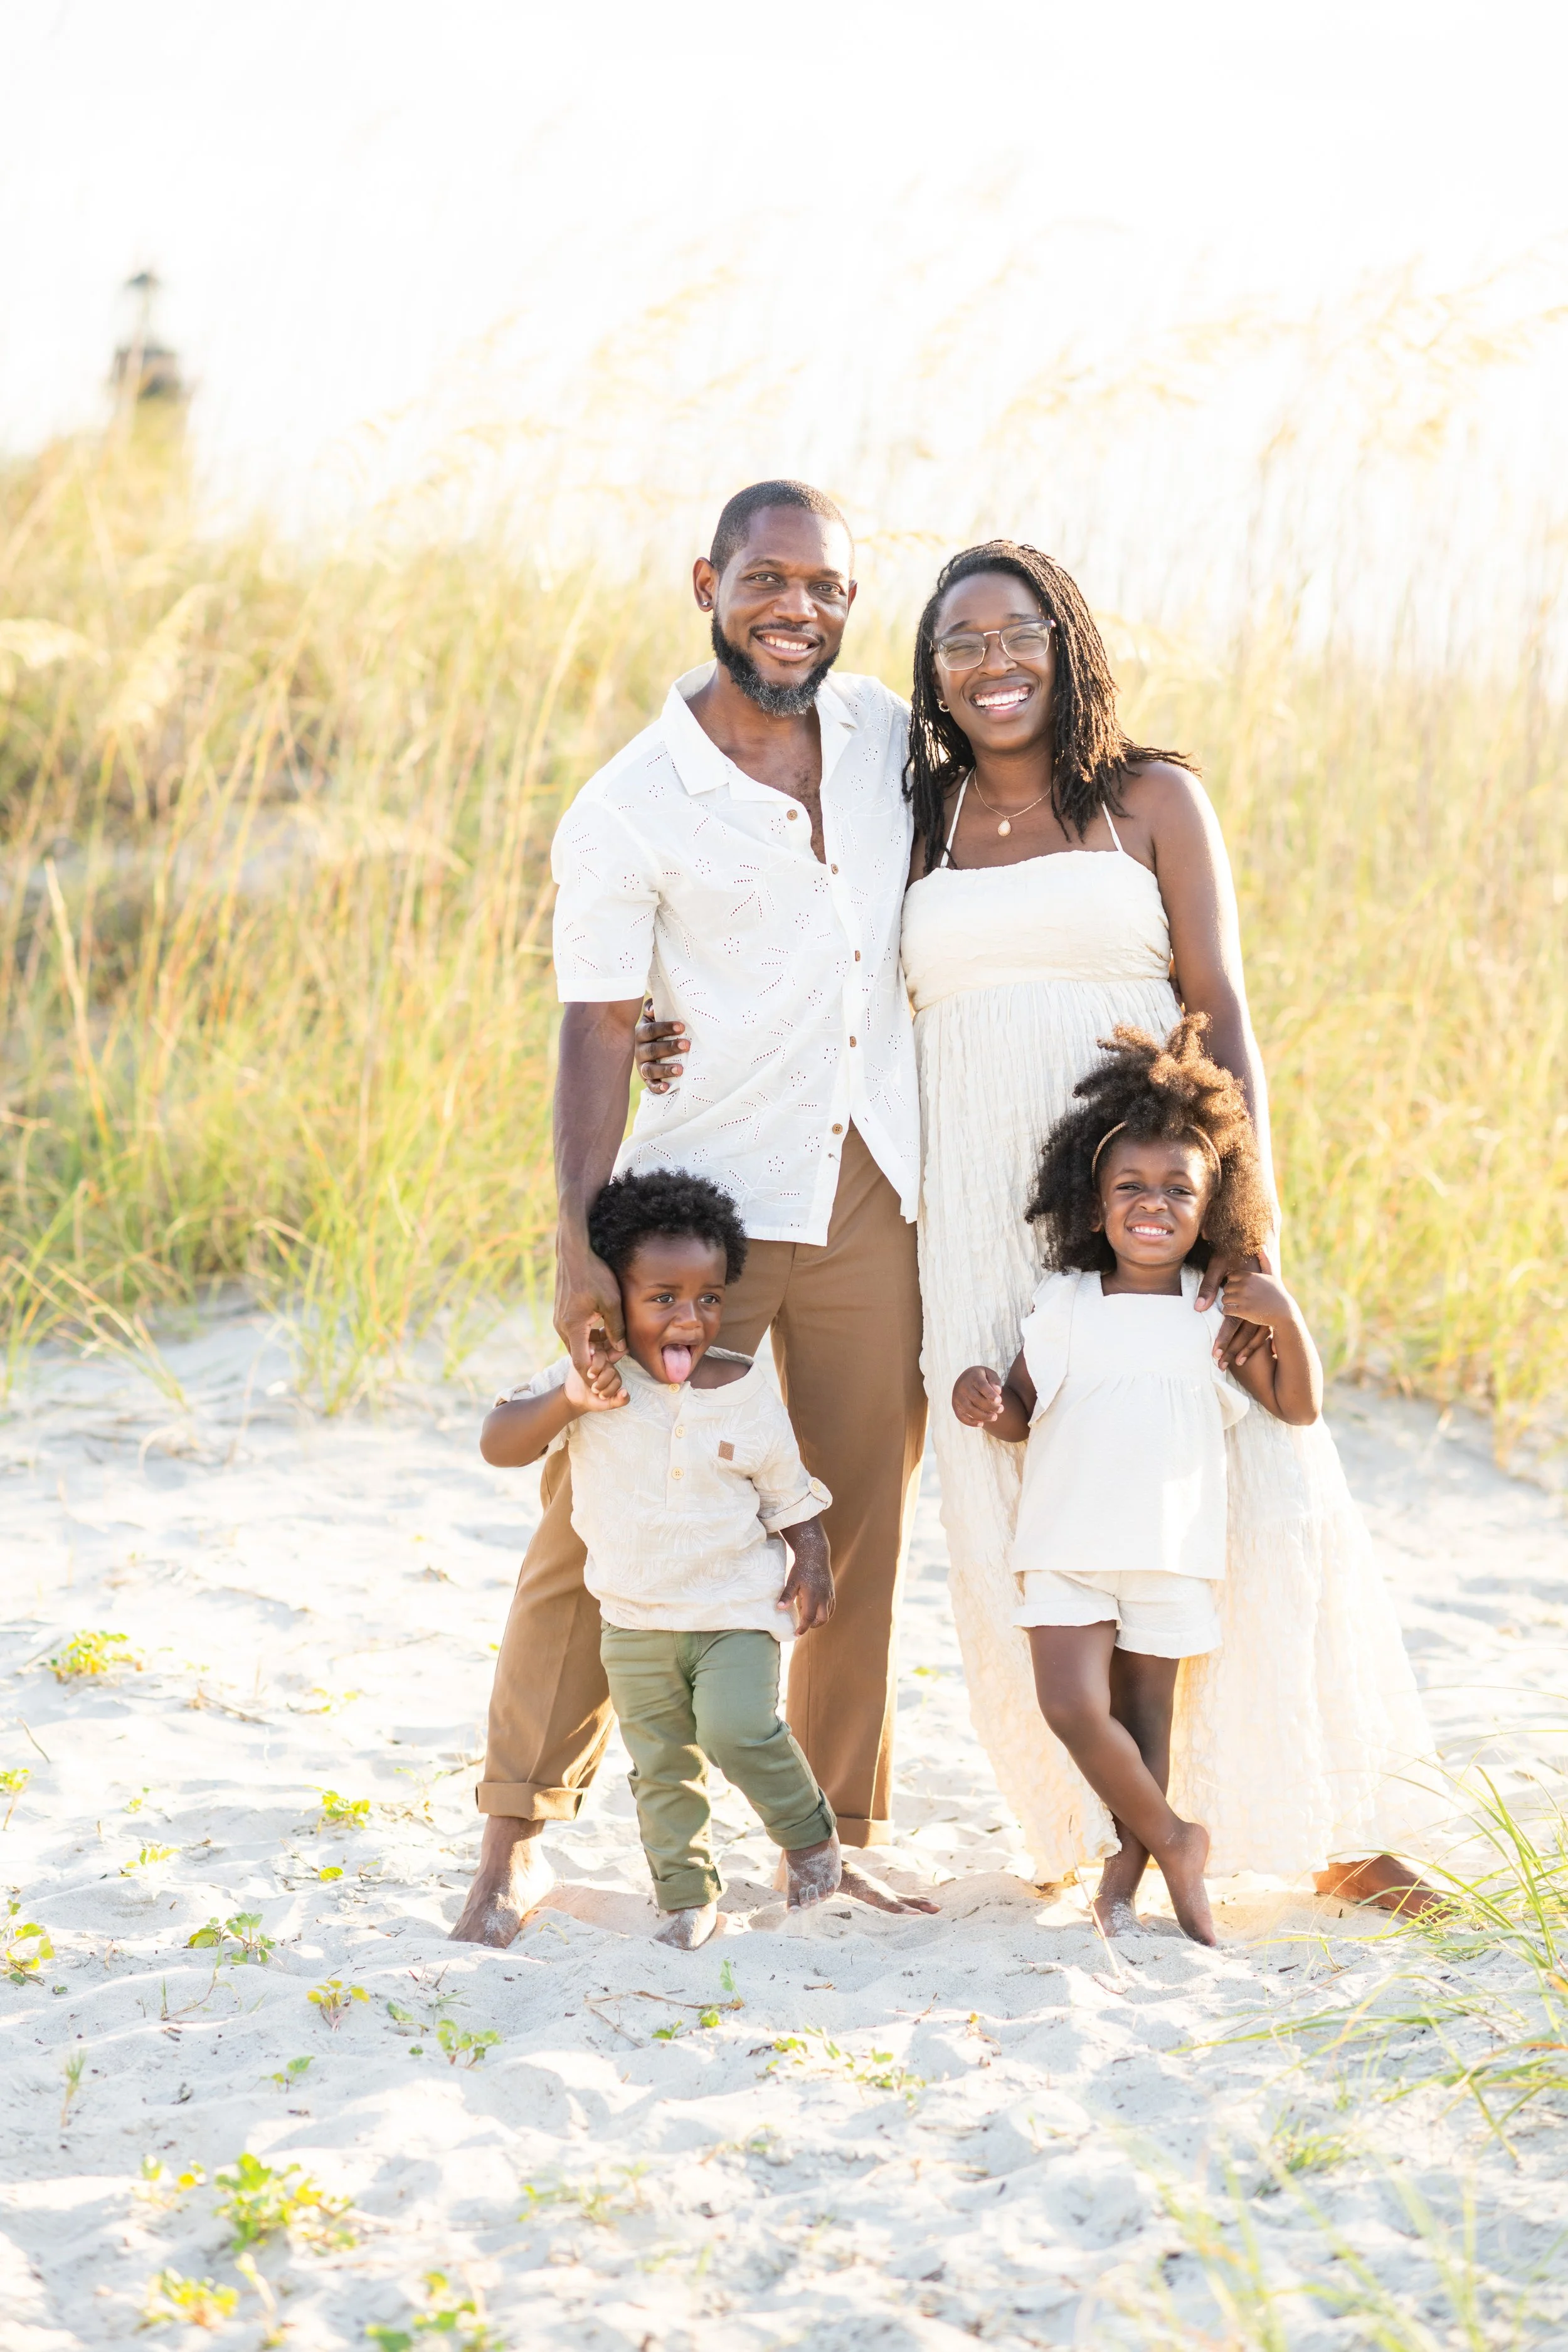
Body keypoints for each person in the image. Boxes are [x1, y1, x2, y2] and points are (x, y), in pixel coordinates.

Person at [898, 538, 1443, 1909]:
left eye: (1014, 632)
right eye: (958, 642)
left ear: (1065, 643)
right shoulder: (921, 819)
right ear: (931, 672)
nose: (989, 663)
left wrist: (1242, 1224)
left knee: (1246, 1476)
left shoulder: (1148, 796)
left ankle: (1328, 1823)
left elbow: (1222, 1006)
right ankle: (1104, 1824)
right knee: (1021, 1488)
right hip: (980, 1208)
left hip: (1157, 1199)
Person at [452, 480, 934, 1946]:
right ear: (706, 581)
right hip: (701, 1206)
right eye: (768, 578)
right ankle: (511, 1832)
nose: (799, 607)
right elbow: (600, 1023)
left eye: (829, 586)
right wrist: (575, 1233)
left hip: (876, 1181)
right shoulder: (631, 803)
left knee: (852, 1507)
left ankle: (830, 1832)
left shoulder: (884, 742)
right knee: (598, 1515)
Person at [953, 1017, 1325, 1943]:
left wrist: (1285, 1314)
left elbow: (1298, 1407)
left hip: (1170, 1545)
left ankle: (1129, 1865)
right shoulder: (1066, 1303)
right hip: (1066, 1539)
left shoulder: (1216, 1313)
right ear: (1094, 1204)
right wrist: (984, 1398)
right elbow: (1022, 1413)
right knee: (1074, 1703)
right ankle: (1174, 1836)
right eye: (1131, 1187)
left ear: (1212, 1210)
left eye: (1178, 1190)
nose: (1152, 1204)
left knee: (1146, 1715)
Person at [482, 1170, 843, 1949]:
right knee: (661, 1768)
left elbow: (787, 1490)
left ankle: (811, 1841)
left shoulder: (743, 1388)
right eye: (664, 1298)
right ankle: (685, 1898)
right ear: (617, 1295)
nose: (690, 1318)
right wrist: (570, 1401)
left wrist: (810, 1560)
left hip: (733, 1613)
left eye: (709, 1298)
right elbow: (499, 1441)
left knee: (738, 1729)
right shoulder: (592, 1378)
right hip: (634, 1620)